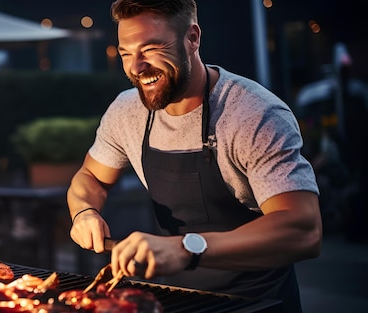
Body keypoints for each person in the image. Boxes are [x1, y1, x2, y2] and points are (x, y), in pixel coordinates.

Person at [66, 0, 322, 312]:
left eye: (150, 48)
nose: (136, 67)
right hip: (178, 299)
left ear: (192, 38)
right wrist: (84, 212)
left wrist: (187, 247)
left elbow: (304, 230)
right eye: (125, 53)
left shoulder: (254, 114)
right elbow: (90, 177)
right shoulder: (126, 112)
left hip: (256, 301)